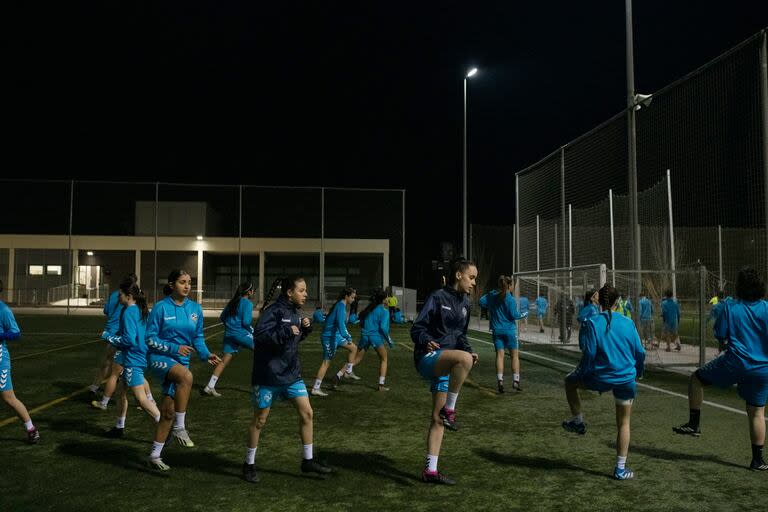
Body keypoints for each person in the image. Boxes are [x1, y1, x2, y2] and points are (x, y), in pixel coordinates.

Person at [673, 267, 768, 471]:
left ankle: (694, 424)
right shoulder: (767, 309)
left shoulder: (730, 307)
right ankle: (758, 460)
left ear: (740, 287)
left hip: (736, 362)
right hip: (762, 368)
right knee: (757, 413)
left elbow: (720, 334)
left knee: (697, 379)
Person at [242, 276, 331, 483]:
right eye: (302, 290)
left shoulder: (295, 312)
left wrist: (305, 330)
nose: (306, 294)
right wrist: (285, 331)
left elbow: (291, 339)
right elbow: (260, 337)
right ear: (289, 292)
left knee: (307, 413)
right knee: (260, 420)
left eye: (306, 290)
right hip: (268, 376)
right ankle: (248, 464)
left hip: (292, 375)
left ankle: (307, 461)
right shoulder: (273, 311)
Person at [562, 283, 645, 480]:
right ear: (618, 301)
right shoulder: (628, 323)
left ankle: (578, 421)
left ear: (599, 300)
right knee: (624, 424)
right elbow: (640, 353)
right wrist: (638, 372)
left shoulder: (593, 322)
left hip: (600, 377)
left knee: (569, 382)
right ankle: (620, 469)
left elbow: (589, 354)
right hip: (625, 378)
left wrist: (584, 374)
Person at [411, 258, 479, 485]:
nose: (474, 283)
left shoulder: (465, 305)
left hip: (448, 364)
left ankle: (430, 470)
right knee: (463, 359)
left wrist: (469, 352)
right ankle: (450, 409)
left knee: (436, 418)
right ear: (458, 275)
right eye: (471, 277)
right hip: (428, 357)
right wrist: (426, 340)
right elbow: (417, 328)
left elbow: (460, 336)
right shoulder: (437, 297)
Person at [146, 269, 222, 471]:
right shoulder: (160, 308)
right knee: (187, 377)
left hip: (182, 361)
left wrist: (206, 354)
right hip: (159, 358)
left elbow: (197, 338)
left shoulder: (195, 309)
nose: (187, 286)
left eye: (189, 282)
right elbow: (150, 339)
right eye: (182, 282)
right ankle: (180, 428)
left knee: (168, 411)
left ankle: (154, 455)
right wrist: (174, 348)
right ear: (172, 285)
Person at [103, 282, 161, 437]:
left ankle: (165, 427)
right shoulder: (139, 310)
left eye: (120, 294)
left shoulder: (129, 311)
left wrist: (109, 337)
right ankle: (119, 427)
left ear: (128, 296)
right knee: (121, 391)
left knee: (140, 399)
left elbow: (129, 340)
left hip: (132, 357)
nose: (118, 297)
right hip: (138, 354)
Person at [0, 280, 40, 444]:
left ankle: (32, 430)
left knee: (8, 397)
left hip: (0, 359)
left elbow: (16, 333)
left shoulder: (3, 310)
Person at [202, 282, 256, 397]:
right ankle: (263, 387)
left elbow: (222, 317)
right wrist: (251, 330)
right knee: (262, 353)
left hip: (229, 334)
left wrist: (230, 327)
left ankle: (210, 386)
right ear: (249, 291)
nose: (253, 293)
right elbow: (246, 322)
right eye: (253, 290)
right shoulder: (247, 303)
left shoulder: (233, 302)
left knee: (224, 361)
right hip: (240, 334)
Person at [482, 275, 527, 393]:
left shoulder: (492, 296)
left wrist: (491, 296)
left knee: (499, 356)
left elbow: (481, 301)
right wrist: (525, 313)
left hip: (497, 331)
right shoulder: (510, 299)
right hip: (510, 332)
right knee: (514, 356)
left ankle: (500, 381)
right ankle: (516, 381)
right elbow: (515, 315)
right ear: (509, 286)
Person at [311, 287, 359, 396]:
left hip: (336, 336)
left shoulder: (341, 305)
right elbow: (341, 325)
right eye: (352, 297)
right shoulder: (340, 306)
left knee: (354, 348)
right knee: (326, 362)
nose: (353, 299)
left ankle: (346, 372)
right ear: (346, 296)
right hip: (329, 337)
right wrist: (348, 336)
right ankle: (315, 388)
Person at [353, 288, 394, 391]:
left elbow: (364, 322)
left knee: (356, 359)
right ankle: (381, 385)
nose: (388, 298)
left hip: (365, 336)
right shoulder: (384, 311)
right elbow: (383, 328)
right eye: (387, 297)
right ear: (383, 299)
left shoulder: (370, 309)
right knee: (384, 359)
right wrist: (389, 340)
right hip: (374, 337)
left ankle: (339, 374)